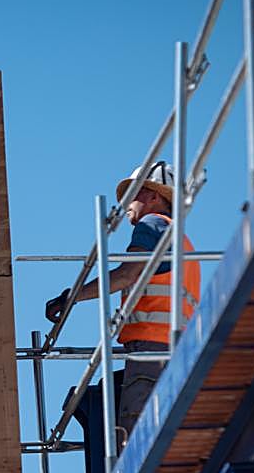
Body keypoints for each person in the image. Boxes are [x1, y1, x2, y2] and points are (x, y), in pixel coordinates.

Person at [44, 161, 200, 452]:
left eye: (134, 193)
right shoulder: (182, 238)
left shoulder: (152, 225)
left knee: (138, 441)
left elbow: (128, 274)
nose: (127, 203)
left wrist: (72, 297)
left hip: (152, 349)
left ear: (155, 197)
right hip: (178, 350)